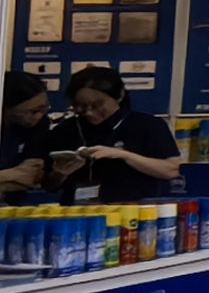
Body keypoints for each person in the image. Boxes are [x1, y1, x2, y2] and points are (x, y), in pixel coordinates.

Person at [45, 64, 182, 204]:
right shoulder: (65, 130)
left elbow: (170, 170)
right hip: (77, 211)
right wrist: (60, 173)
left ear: (119, 96)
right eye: (79, 105)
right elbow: (49, 186)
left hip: (131, 210)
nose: (89, 112)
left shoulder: (147, 125)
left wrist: (123, 155)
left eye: (97, 105)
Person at [0, 69, 53, 197]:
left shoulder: (40, 124)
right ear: (5, 109)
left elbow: (31, 174)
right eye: (33, 112)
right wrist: (5, 176)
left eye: (44, 108)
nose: (39, 116)